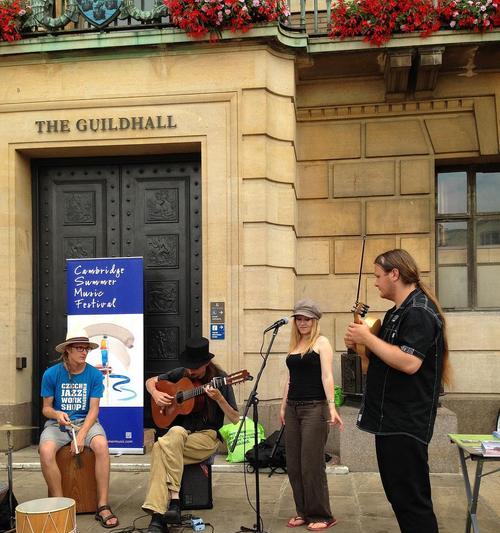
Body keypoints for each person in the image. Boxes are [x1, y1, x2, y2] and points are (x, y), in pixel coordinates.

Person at [344, 249, 451, 533]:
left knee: (412, 502)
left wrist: (368, 337)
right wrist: (362, 347)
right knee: (400, 499)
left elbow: (409, 362)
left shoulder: (419, 312)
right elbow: (376, 367)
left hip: (406, 423)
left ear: (395, 274)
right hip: (388, 420)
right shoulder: (395, 313)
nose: (375, 282)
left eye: (378, 276)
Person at [143, 336, 239, 533]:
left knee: (161, 447)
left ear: (205, 364)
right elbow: (150, 381)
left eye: (194, 367)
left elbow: (236, 418)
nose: (189, 371)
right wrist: (155, 393)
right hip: (181, 436)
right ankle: (168, 509)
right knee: (175, 432)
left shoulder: (221, 379)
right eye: (187, 366)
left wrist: (220, 399)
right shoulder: (181, 374)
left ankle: (159, 514)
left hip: (206, 437)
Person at [39, 330, 119, 529]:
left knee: (101, 445)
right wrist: (57, 414)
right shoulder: (51, 374)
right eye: (79, 348)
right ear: (68, 350)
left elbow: (94, 409)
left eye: (86, 349)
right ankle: (59, 505)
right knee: (46, 450)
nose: (84, 352)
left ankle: (102, 505)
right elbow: (46, 408)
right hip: (59, 424)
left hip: (86, 422)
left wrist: (82, 434)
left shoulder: (93, 374)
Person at [280, 299, 344, 531]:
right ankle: (303, 512)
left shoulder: (321, 342)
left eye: (307, 318)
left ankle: (322, 515)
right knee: (294, 465)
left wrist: (332, 407)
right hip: (293, 408)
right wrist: (282, 405)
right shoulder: (295, 344)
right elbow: (289, 378)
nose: (302, 322)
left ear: (315, 320)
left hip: (314, 408)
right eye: (299, 318)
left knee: (311, 464)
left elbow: (327, 376)